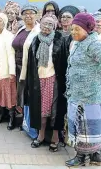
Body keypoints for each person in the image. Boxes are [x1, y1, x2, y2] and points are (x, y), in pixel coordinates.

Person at [65, 13, 101, 167]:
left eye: (77, 29)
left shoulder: (93, 44)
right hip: (78, 93)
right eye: (72, 29)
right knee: (86, 128)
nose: (73, 32)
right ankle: (95, 156)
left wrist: (100, 75)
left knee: (85, 129)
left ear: (87, 29)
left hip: (89, 96)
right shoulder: (78, 43)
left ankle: (81, 158)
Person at [26, 15, 67, 152]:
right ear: (40, 24)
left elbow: (64, 63)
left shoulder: (60, 39)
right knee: (41, 110)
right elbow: (30, 63)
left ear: (55, 25)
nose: (47, 26)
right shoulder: (35, 40)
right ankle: (41, 135)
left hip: (54, 80)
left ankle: (55, 138)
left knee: (55, 111)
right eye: (44, 23)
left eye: (50, 24)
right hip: (38, 80)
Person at [12, 5, 40, 110]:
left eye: (31, 13)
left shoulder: (39, 31)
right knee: (19, 93)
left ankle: (28, 120)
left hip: (30, 68)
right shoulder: (21, 29)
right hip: (17, 66)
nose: (28, 16)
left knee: (27, 93)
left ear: (36, 15)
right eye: (25, 13)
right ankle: (22, 116)